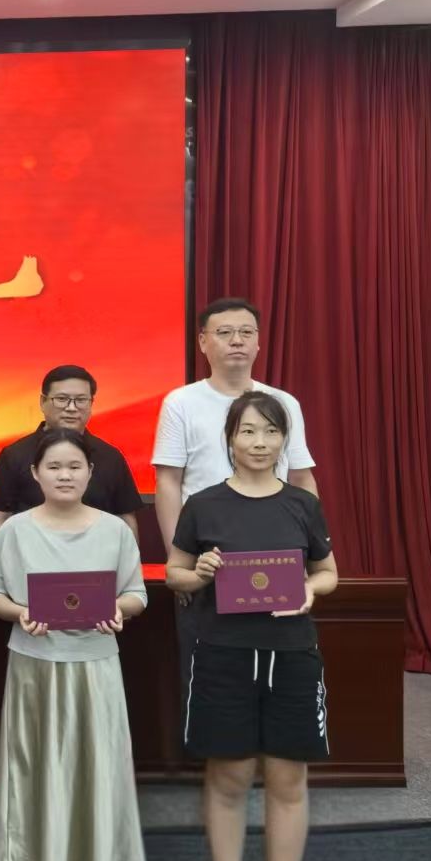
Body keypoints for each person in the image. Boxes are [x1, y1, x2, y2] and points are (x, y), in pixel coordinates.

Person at [166, 391, 337, 861]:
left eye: (270, 431)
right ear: (230, 440)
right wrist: (200, 573)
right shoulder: (204, 504)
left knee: (287, 778)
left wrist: (310, 590)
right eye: (248, 431)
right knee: (230, 776)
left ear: (285, 440)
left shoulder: (302, 504)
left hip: (292, 653)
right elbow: (175, 573)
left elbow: (328, 572)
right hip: (223, 653)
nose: (259, 442)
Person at [0, 428, 150, 861]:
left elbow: (137, 594)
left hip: (96, 666)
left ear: (90, 473)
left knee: (99, 770)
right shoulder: (14, 531)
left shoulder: (114, 531)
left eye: (74, 467)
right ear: (35, 473)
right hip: (34, 666)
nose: (64, 475)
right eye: (53, 467)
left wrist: (119, 609)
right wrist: (20, 613)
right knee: (39, 771)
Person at [153, 297, 317, 696]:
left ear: (259, 342)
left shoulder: (283, 403)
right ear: (203, 342)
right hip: (208, 556)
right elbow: (169, 482)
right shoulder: (181, 402)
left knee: (281, 673)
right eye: (224, 333)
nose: (237, 341)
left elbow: (301, 477)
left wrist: (308, 553)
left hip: (274, 552)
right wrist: (180, 564)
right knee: (209, 678)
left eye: (246, 332)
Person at [0, 365, 143, 539]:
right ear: (42, 402)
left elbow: (126, 519)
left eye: (81, 400)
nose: (71, 408)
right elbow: (0, 517)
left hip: (97, 553)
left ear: (91, 403)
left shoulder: (111, 457)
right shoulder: (14, 455)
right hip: (31, 553)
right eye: (62, 399)